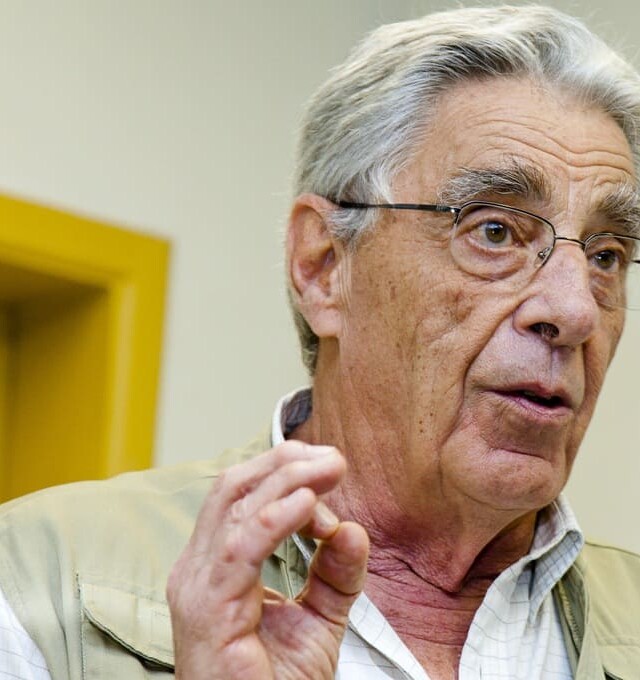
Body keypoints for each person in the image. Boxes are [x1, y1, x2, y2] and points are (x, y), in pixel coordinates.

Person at [1, 4, 640, 679]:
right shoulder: (41, 586)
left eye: (606, 255)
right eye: (495, 231)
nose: (576, 309)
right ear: (324, 266)